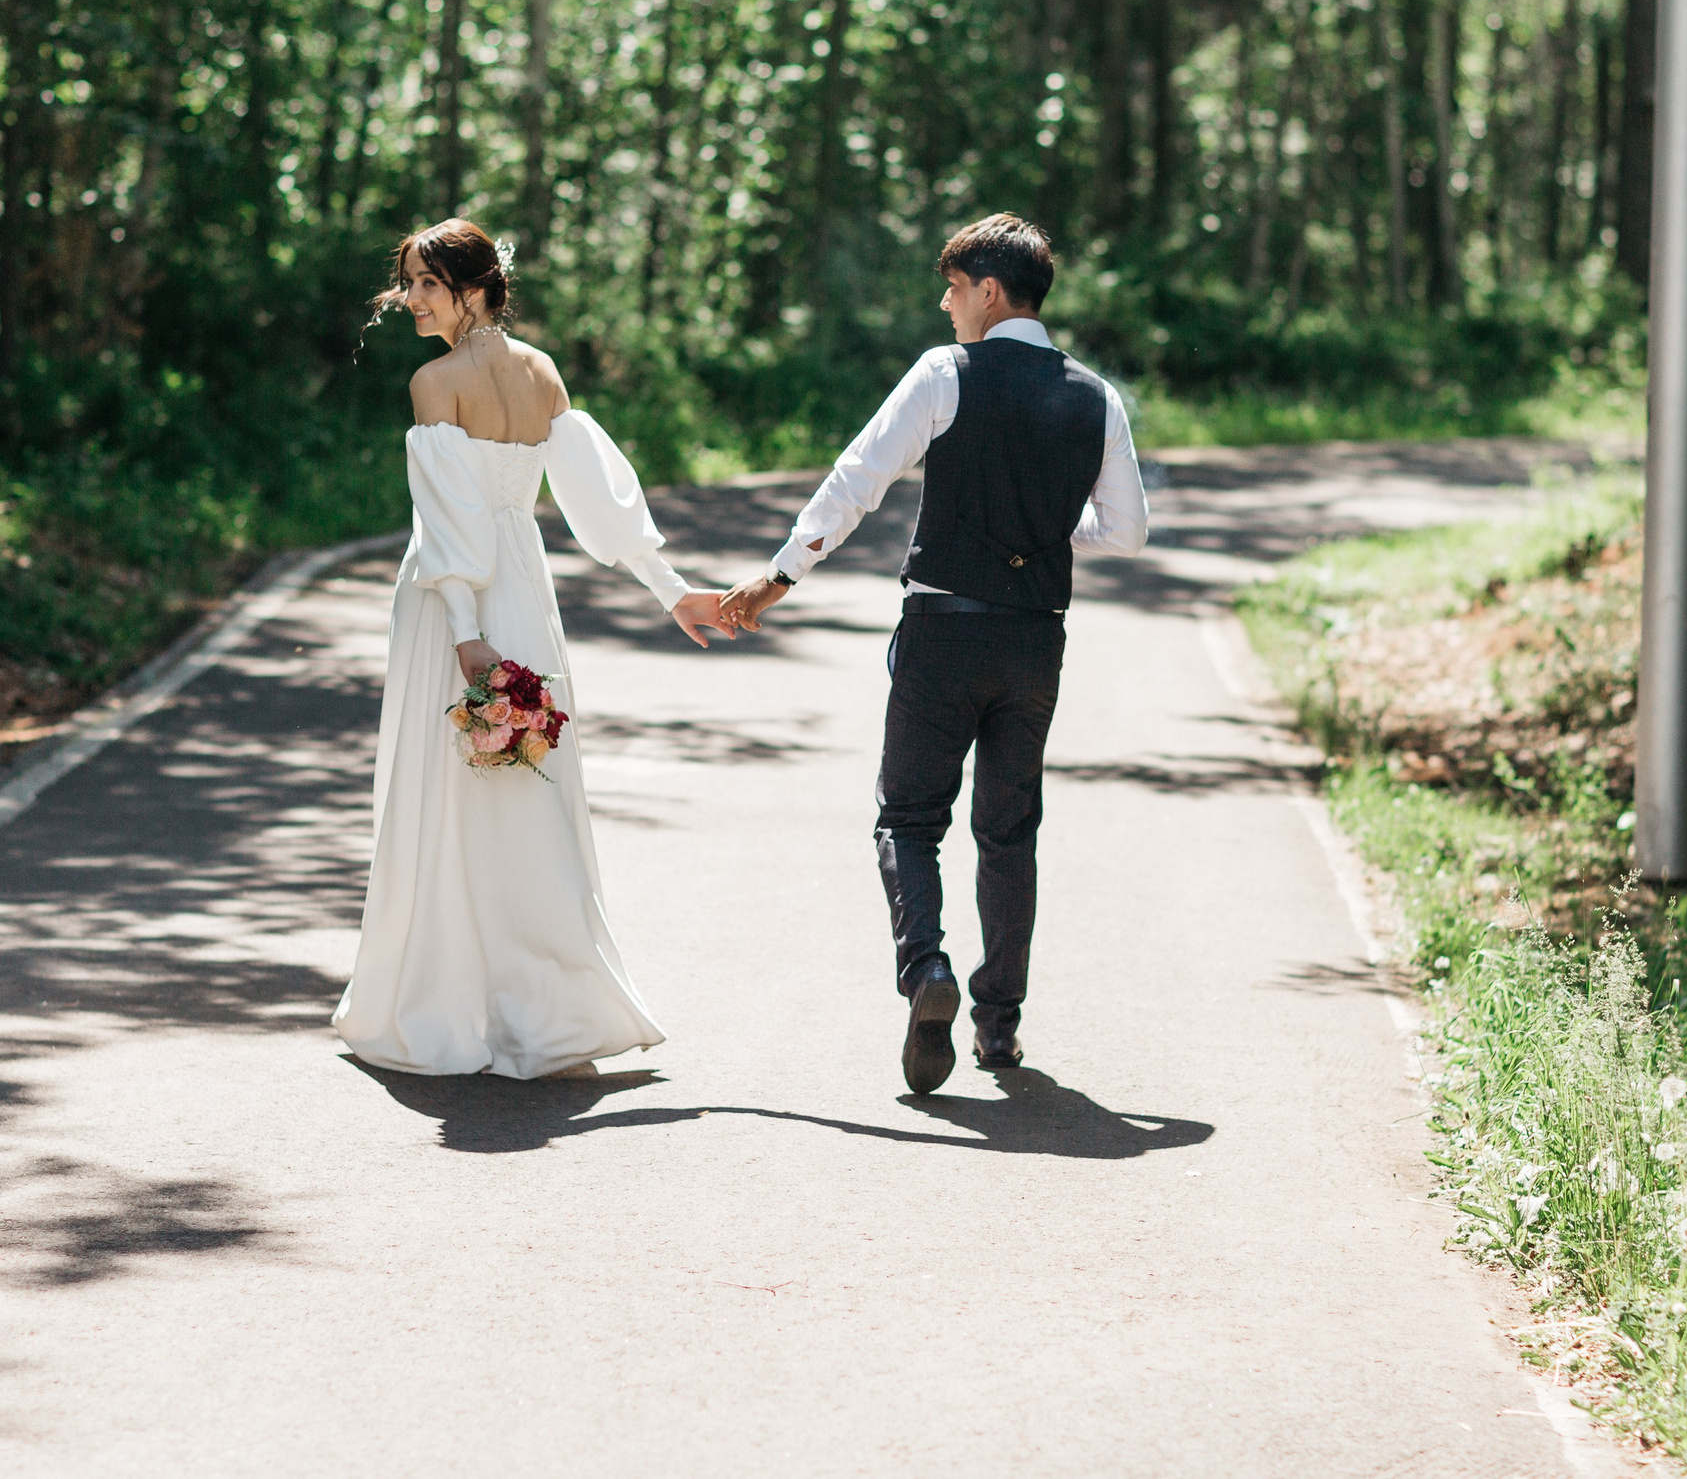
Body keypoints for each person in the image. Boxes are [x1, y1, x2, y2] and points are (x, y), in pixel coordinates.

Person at [719, 214, 1148, 1093]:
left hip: (943, 631)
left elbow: (857, 479)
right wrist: (1041, 520)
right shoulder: (1096, 395)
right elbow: (1127, 531)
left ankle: (928, 972)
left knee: (909, 818)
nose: (945, 303)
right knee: (1009, 830)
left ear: (990, 291)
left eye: (953, 287)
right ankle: (999, 1029)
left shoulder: (945, 373)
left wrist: (778, 577)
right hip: (1036, 639)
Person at [333, 218, 734, 1079]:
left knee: (451, 786)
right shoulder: (543, 372)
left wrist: (468, 637)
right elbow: (603, 506)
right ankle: (547, 1001)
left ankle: (445, 1002)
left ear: (472, 288)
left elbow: (449, 521)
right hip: (523, 583)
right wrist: (672, 590)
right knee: (526, 783)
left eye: (426, 285)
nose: (411, 299)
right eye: (407, 282)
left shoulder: (434, 382)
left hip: (456, 600)